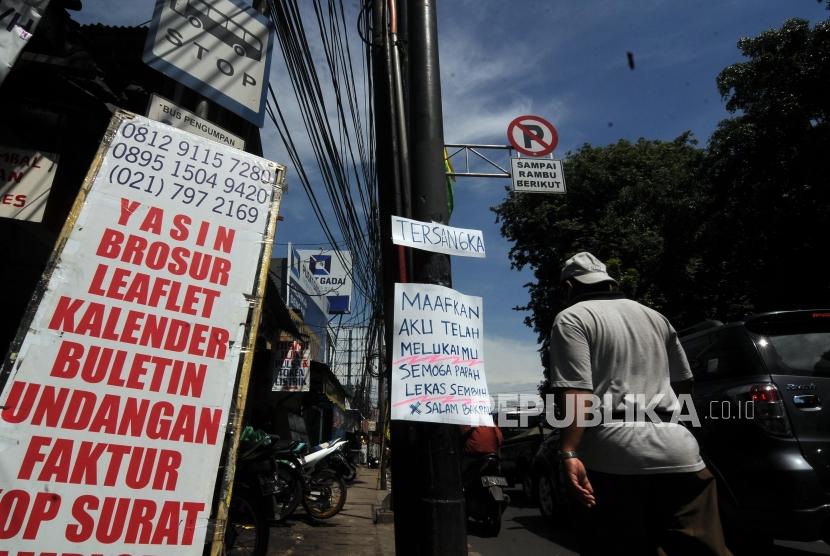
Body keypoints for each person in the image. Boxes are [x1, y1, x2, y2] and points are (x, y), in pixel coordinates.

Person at [549, 252, 730, 555]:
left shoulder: (572, 317)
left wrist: (568, 451)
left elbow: (578, 393)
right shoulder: (655, 317)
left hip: (614, 454)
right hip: (679, 450)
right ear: (608, 281)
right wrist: (681, 428)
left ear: (569, 287)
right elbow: (683, 383)